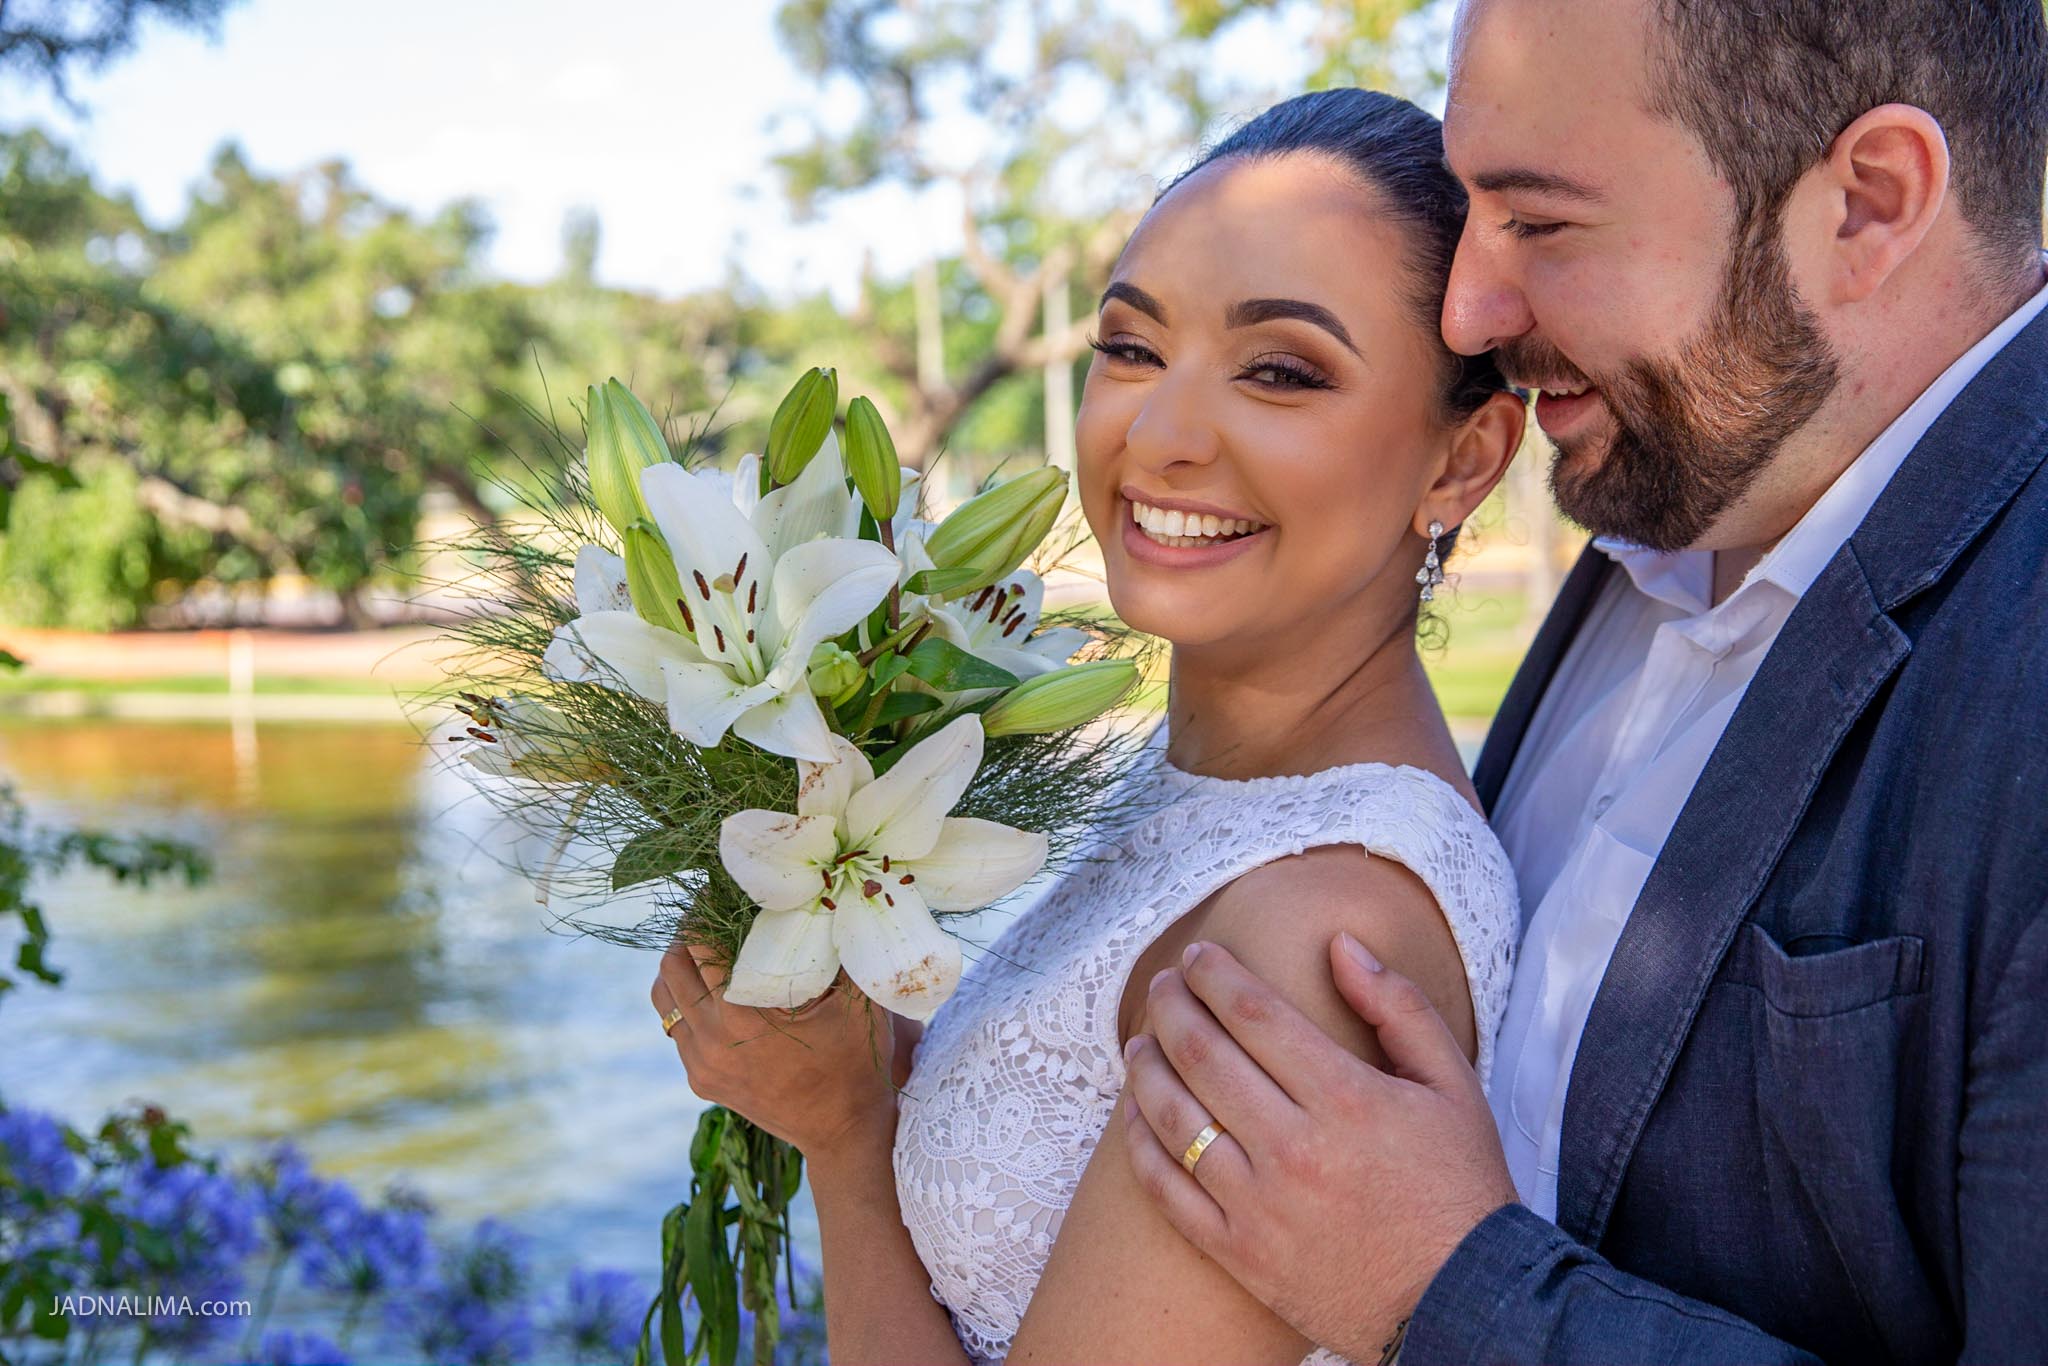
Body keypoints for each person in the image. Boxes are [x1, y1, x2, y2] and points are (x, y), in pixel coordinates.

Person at [1119, 1, 2048, 1362]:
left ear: (1870, 201)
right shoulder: (1680, 487)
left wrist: (1448, 1285)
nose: (1469, 311)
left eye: (1541, 223)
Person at [648, 88, 1527, 1364]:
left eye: (1279, 370)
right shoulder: (1207, 786)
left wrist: (842, 1135)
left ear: (1461, 461)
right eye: (1129, 348)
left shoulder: (1311, 949)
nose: (1158, 437)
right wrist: (860, 1048)